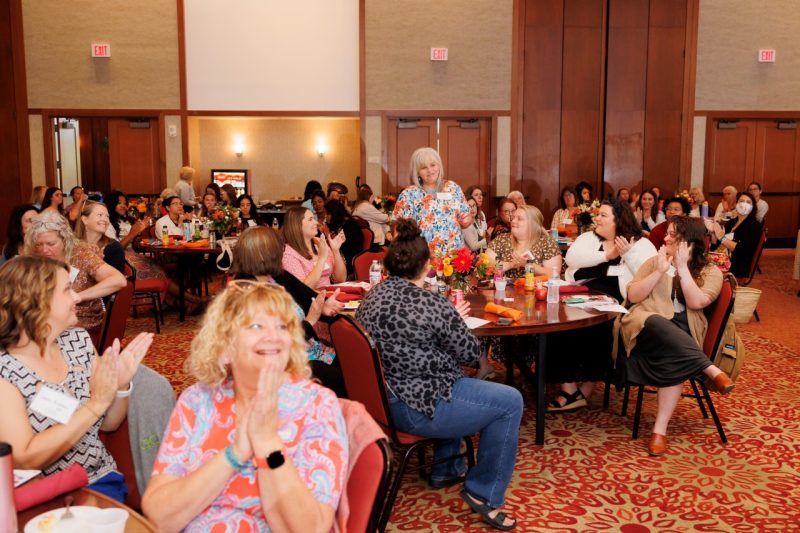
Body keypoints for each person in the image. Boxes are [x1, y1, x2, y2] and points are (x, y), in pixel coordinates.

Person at [356, 219, 522, 531]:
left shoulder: (372, 297)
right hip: (416, 408)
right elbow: (470, 353)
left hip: (382, 401)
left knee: (449, 372)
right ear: (427, 266)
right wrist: (453, 319)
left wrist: (446, 324)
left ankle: (448, 467)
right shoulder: (431, 302)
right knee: (509, 401)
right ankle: (484, 493)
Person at [142, 281, 347, 532]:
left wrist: (268, 444)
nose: (273, 336)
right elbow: (159, 517)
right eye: (256, 326)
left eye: (282, 326)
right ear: (225, 347)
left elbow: (310, 528)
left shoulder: (317, 406)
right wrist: (234, 454)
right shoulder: (197, 401)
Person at [0, 255, 153, 501]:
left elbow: (107, 424)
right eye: (67, 290)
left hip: (99, 480)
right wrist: (95, 405)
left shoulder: (78, 341)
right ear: (35, 302)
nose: (76, 297)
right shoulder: (5, 371)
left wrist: (120, 385)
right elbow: (24, 458)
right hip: (38, 494)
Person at [617, 216, 734, 456]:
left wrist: (681, 268)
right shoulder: (654, 261)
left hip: (683, 331)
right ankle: (710, 369)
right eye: (667, 234)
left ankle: (660, 431)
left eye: (672, 235)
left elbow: (696, 301)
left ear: (689, 242)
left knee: (675, 353)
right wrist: (659, 272)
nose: (665, 238)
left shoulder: (711, 272)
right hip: (645, 326)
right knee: (655, 320)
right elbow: (634, 297)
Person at [549, 199, 657, 411]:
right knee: (557, 324)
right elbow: (571, 258)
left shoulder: (639, 243)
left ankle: (588, 385)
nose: (597, 218)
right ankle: (569, 387)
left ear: (619, 220)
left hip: (618, 305)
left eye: (603, 215)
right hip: (581, 297)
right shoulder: (589, 238)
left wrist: (627, 254)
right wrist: (607, 255)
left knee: (600, 327)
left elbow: (649, 274)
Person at [230, 226, 346, 397]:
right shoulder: (245, 291)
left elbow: (311, 298)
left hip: (309, 349)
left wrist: (325, 307)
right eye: (279, 248)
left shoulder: (277, 276)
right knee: (339, 377)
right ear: (264, 254)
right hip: (280, 363)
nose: (282, 252)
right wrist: (310, 321)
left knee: (352, 362)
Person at [25, 211, 127, 333]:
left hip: (82, 326)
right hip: (47, 323)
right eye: (38, 244)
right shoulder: (36, 258)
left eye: (51, 244)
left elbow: (119, 280)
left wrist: (77, 297)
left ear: (64, 240)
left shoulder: (79, 254)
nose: (44, 250)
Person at [392, 147, 472, 256]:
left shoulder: (453, 188)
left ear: (439, 165)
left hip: (454, 255)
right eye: (424, 168)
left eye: (433, 165)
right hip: (422, 257)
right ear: (417, 172)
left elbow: (467, 216)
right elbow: (398, 228)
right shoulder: (409, 194)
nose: (430, 170)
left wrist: (467, 220)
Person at [487, 205, 561, 279]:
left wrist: (528, 265)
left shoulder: (546, 243)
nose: (513, 221)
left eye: (519, 219)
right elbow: (485, 263)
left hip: (534, 289)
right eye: (513, 218)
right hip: (503, 288)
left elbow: (554, 274)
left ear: (532, 224)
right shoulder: (502, 239)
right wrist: (511, 264)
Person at [281, 207, 346, 289]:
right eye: (310, 219)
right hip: (309, 300)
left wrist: (336, 251)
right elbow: (302, 290)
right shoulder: (288, 254)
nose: (316, 223)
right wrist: (321, 259)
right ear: (297, 225)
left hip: (328, 297)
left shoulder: (319, 243)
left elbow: (341, 279)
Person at [707, 191, 762, 278]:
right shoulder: (731, 222)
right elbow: (717, 245)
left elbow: (743, 249)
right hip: (722, 259)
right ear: (736, 204)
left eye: (748, 202)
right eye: (741, 201)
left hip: (737, 265)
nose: (744, 204)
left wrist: (722, 237)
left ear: (753, 207)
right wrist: (713, 232)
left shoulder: (754, 225)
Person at [75, 201, 125, 273]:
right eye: (100, 215)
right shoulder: (73, 243)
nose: (105, 220)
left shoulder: (114, 247)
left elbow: (116, 281)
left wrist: (96, 262)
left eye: (107, 216)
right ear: (85, 220)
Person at [324, 199, 363, 275]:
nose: (325, 216)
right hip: (338, 257)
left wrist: (328, 235)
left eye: (327, 214)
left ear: (334, 213)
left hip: (349, 260)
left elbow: (343, 247)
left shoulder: (351, 225)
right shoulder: (335, 223)